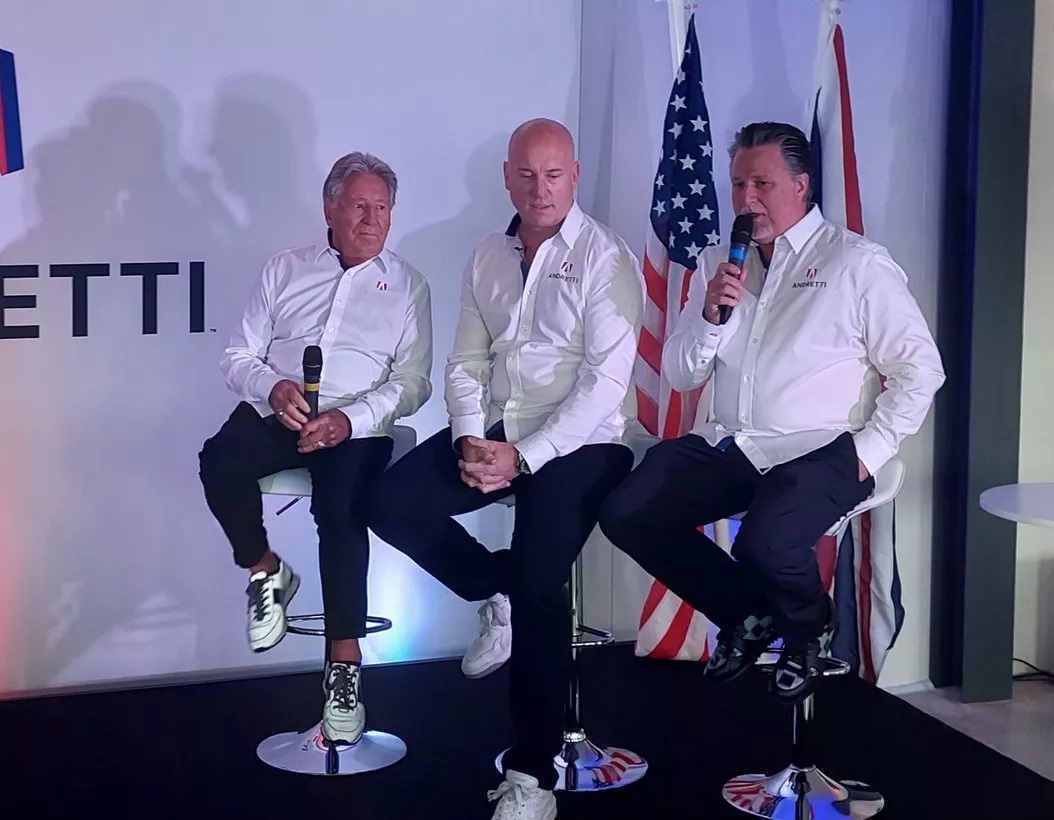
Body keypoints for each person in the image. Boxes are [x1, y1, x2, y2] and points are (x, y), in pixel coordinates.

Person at [599, 121, 945, 705]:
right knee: (629, 509)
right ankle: (748, 615)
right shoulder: (718, 263)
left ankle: (808, 634)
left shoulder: (856, 263)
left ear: (802, 185)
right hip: (734, 443)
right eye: (737, 185)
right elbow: (682, 373)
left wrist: (868, 453)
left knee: (765, 541)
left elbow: (921, 371)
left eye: (762, 183)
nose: (746, 200)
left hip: (824, 447)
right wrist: (712, 315)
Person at [366, 118, 642, 820]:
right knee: (391, 502)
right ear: (507, 178)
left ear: (574, 177)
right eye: (526, 174)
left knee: (541, 582)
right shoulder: (488, 254)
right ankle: (497, 591)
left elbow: (605, 387)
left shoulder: (606, 259)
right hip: (499, 431)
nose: (539, 188)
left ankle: (532, 777)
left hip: (583, 446)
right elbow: (465, 365)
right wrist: (469, 441)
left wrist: (526, 456)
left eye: (553, 175)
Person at [198, 152, 433, 746]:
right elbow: (237, 356)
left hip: (355, 424)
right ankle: (267, 570)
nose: (372, 219)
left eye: (382, 208)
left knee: (340, 508)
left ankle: (344, 664)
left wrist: (349, 420)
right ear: (329, 207)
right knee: (219, 459)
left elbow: (412, 383)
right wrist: (270, 387)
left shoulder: (408, 284)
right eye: (359, 206)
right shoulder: (285, 268)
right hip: (282, 409)